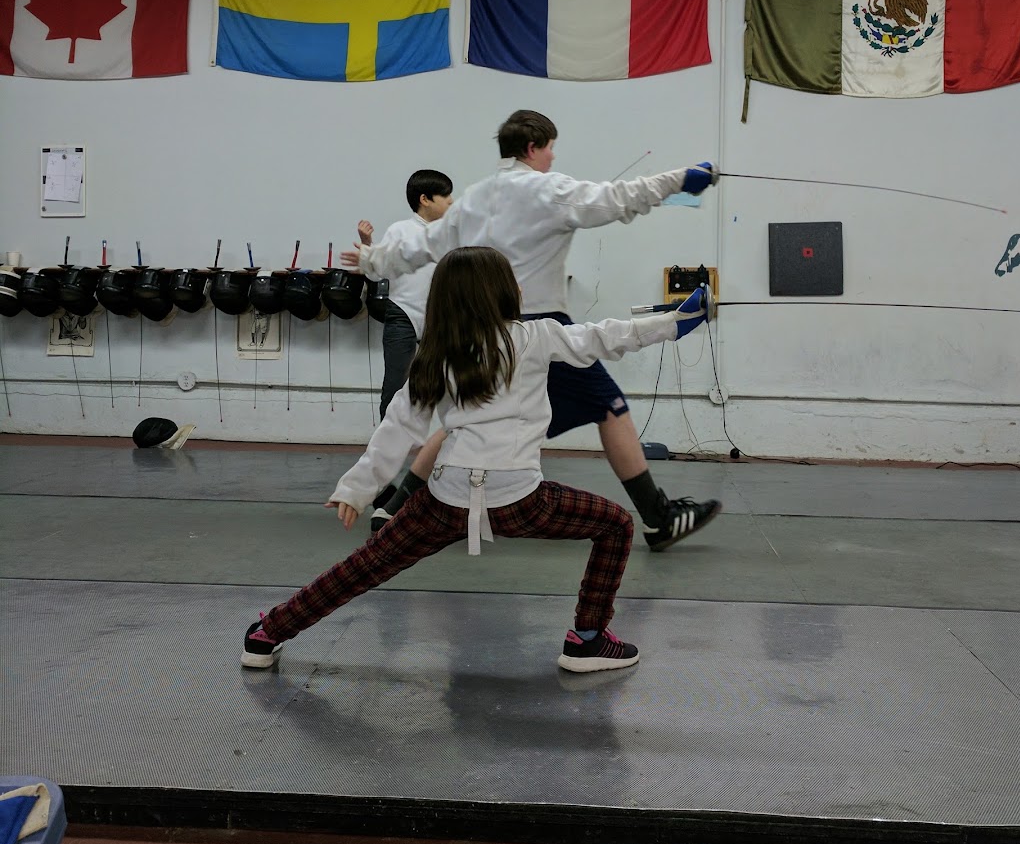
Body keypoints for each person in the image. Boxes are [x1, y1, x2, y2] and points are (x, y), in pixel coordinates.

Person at [242, 247, 710, 674]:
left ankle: (267, 633)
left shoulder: (437, 353)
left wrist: (357, 488)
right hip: (522, 498)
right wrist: (675, 322)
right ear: (500, 292)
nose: (522, 286)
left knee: (368, 564)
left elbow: (399, 425)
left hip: (444, 496)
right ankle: (587, 640)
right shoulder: (536, 337)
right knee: (616, 526)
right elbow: (607, 337)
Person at [342, 109, 720, 552]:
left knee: (470, 413)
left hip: (480, 327)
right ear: (532, 148)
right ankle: (658, 517)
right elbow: (619, 198)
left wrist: (373, 260)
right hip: (538, 328)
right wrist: (681, 179)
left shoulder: (475, 197)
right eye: (550, 148)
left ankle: (397, 507)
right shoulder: (549, 190)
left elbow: (422, 245)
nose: (553, 156)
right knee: (611, 407)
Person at [358, 169, 454, 421]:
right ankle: (385, 451)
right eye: (445, 196)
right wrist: (368, 246)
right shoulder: (399, 230)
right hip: (403, 314)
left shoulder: (450, 234)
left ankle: (451, 444)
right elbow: (378, 275)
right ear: (425, 199)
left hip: (442, 317)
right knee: (395, 386)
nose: (451, 201)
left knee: (453, 384)